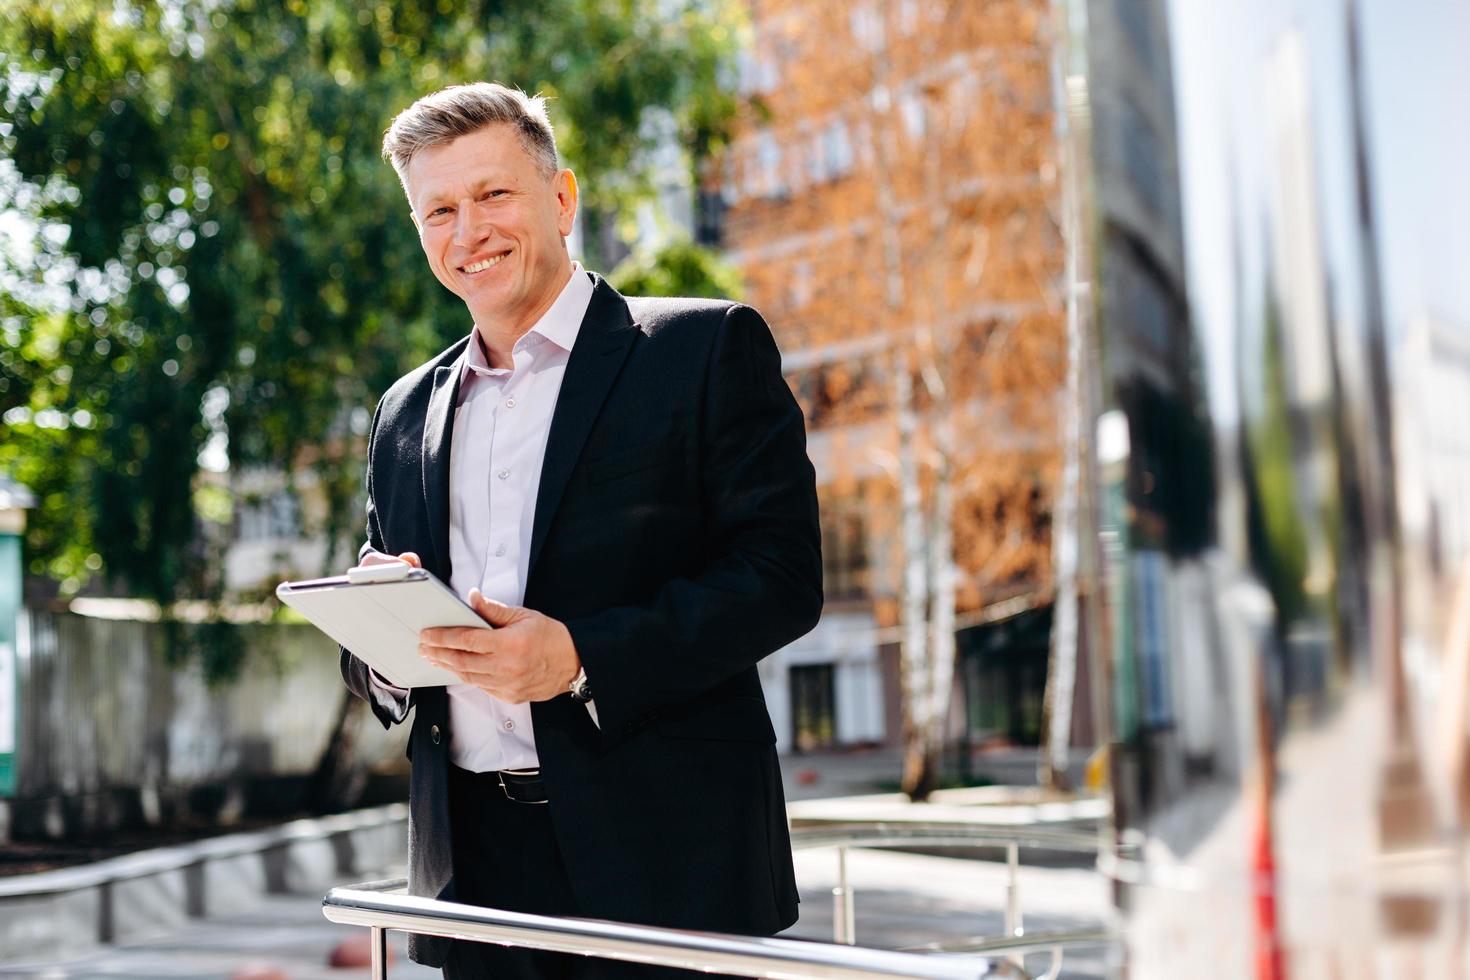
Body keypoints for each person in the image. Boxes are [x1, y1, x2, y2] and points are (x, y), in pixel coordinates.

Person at [337, 81, 823, 979]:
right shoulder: (404, 411)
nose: (468, 230)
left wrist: (580, 658)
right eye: (438, 209)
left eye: (492, 195)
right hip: (473, 875)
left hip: (667, 863)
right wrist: (378, 637)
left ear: (561, 200)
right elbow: (378, 669)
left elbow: (782, 576)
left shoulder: (703, 350)